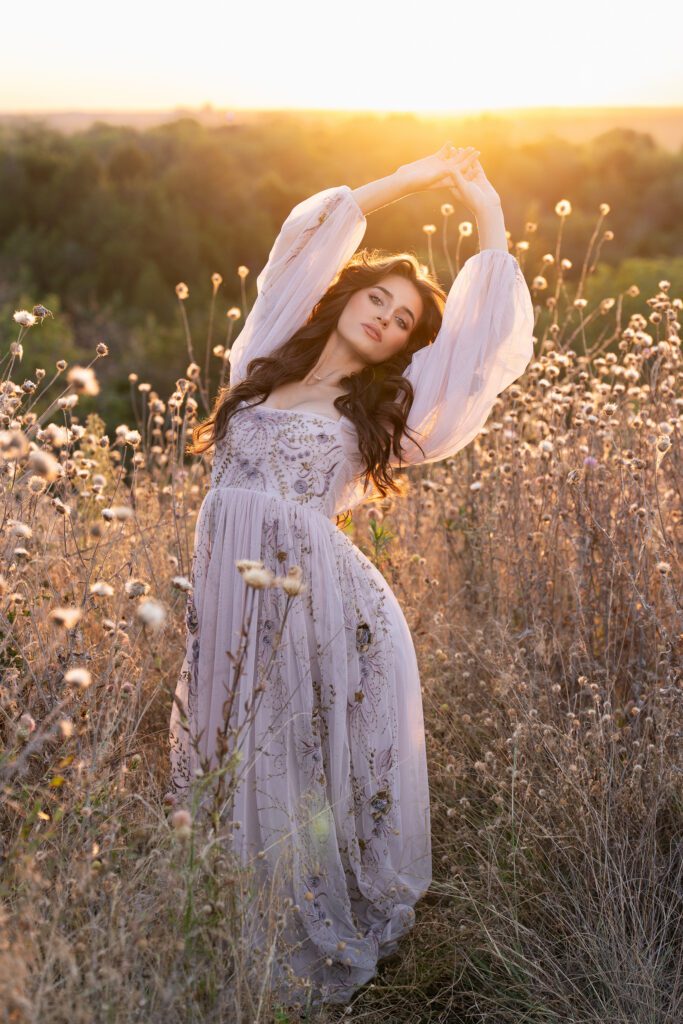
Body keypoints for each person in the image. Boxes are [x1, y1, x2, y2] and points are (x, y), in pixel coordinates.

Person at [168, 143, 535, 1009]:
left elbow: (484, 340)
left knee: (288, 755)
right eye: (377, 296)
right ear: (344, 298)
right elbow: (306, 235)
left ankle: (293, 928)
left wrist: (484, 208)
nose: (385, 316)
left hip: (315, 602)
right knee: (223, 744)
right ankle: (221, 919)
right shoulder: (262, 363)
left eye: (403, 319)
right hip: (227, 594)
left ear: (405, 345)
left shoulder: (382, 412)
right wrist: (409, 181)